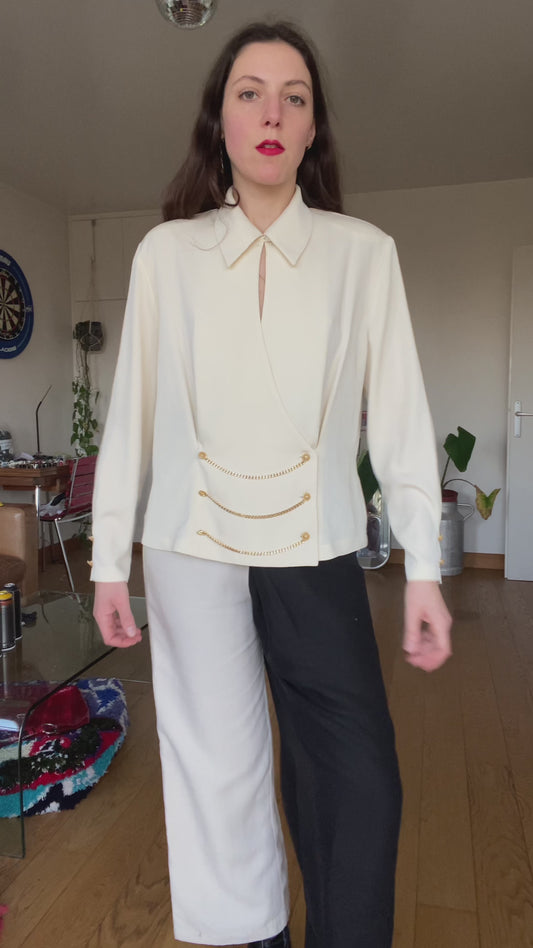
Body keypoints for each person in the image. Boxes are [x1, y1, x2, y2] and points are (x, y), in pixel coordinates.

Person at [91, 20, 452, 948]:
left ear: (312, 127)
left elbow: (400, 410)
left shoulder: (362, 252)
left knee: (360, 778)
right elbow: (132, 413)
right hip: (190, 546)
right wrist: (107, 561)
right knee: (218, 776)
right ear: (218, 118)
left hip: (316, 545)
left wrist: (422, 568)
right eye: (249, 93)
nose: (271, 113)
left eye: (294, 97)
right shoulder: (165, 255)